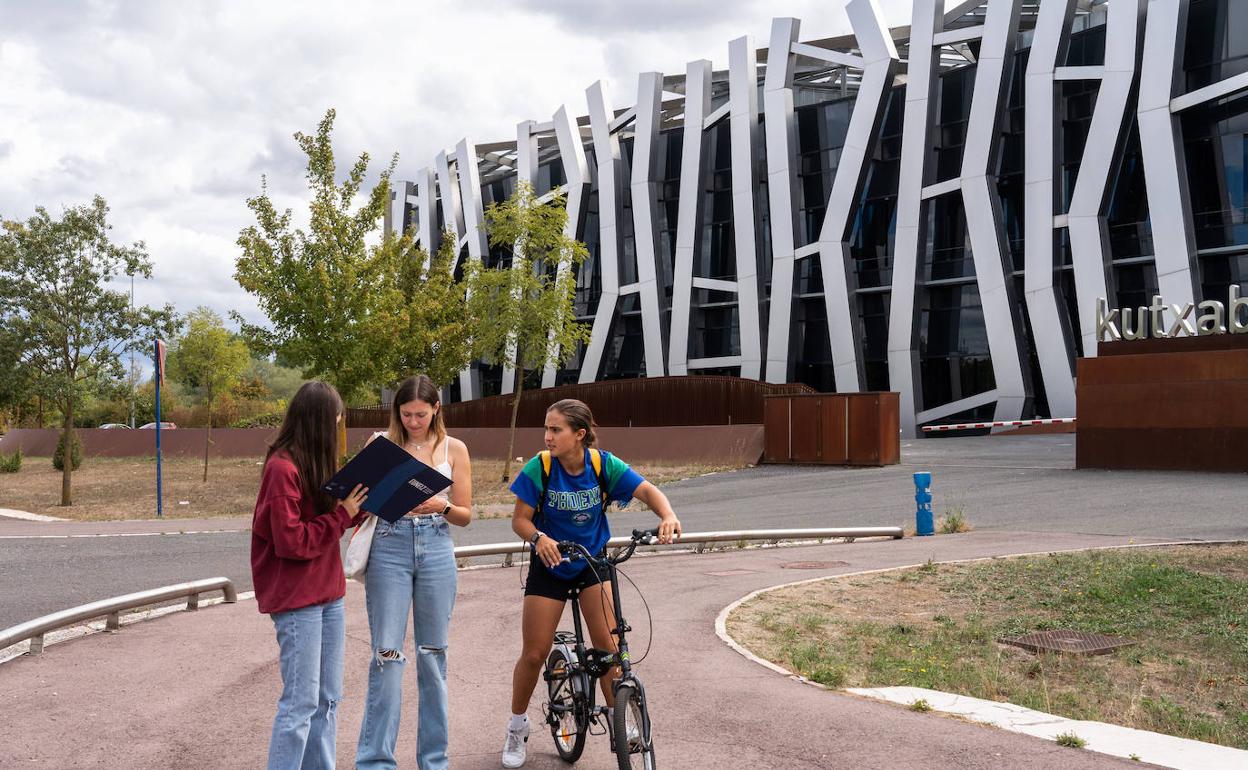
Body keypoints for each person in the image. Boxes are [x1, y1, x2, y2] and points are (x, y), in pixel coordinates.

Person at [501, 398, 681, 769]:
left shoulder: (602, 465)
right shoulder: (541, 466)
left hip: (591, 563)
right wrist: (539, 539)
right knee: (534, 653)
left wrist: (668, 515)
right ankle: (517, 726)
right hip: (549, 564)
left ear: (579, 434)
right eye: (546, 429)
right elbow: (520, 520)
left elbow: (646, 490)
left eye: (556, 430)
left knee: (609, 649)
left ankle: (621, 724)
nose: (548, 436)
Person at [356, 375, 473, 770]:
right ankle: (375, 761)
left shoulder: (455, 449)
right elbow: (359, 500)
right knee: (387, 655)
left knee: (433, 655)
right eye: (406, 414)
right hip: (390, 543)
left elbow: (466, 516)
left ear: (436, 409)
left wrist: (438, 505)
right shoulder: (381, 444)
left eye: (421, 414)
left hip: (437, 543)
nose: (413, 422)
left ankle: (434, 762)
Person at [251, 380, 369, 770]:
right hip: (297, 599)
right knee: (301, 703)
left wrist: (364, 503)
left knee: (328, 699)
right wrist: (342, 515)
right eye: (336, 420)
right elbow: (292, 543)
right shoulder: (282, 470)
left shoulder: (315, 463)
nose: (339, 428)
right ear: (319, 421)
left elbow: (331, 521)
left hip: (328, 595)